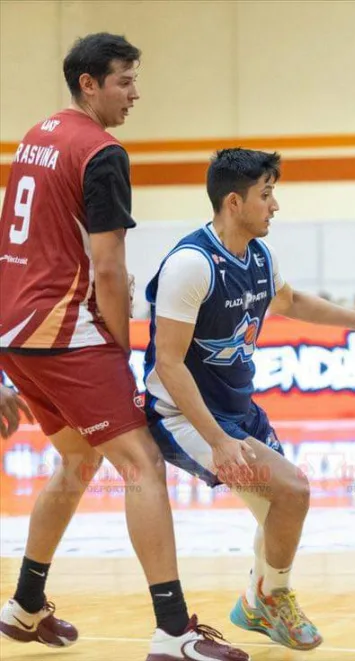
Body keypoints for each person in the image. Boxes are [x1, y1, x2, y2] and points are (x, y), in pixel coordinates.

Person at [0, 33, 248, 661]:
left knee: (78, 462)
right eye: (125, 81)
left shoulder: (37, 134)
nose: (136, 94)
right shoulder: (102, 152)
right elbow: (109, 270)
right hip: (65, 333)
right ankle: (173, 631)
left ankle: (26, 605)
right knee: (142, 464)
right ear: (90, 84)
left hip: (15, 331)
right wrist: (117, 344)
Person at [142, 148, 355, 651]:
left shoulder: (258, 255)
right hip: (182, 415)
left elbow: (289, 301)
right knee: (291, 491)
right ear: (233, 201)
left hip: (236, 408)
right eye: (265, 195)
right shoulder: (191, 264)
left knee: (282, 507)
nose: (275, 205)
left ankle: (257, 599)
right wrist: (218, 439)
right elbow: (168, 364)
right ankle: (271, 597)